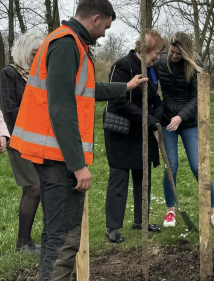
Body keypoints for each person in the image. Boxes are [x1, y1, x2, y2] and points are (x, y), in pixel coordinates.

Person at [9, 0, 148, 279]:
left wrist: (125, 86)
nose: (105, 34)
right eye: (106, 27)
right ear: (96, 18)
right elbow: (60, 107)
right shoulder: (65, 44)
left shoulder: (71, 44)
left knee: (56, 233)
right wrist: (77, 164)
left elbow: (84, 89)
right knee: (64, 238)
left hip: (53, 153)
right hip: (57, 156)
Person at [154, 32, 214, 232]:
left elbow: (198, 97)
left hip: (189, 122)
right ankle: (170, 210)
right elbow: (152, 87)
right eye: (172, 51)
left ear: (186, 53)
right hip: (167, 122)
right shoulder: (160, 63)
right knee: (171, 167)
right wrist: (162, 112)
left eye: (178, 53)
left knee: (198, 166)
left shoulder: (196, 66)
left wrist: (182, 117)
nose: (174, 55)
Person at [104, 29, 164, 243]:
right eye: (156, 52)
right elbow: (116, 101)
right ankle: (112, 227)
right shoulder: (123, 65)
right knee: (119, 179)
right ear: (145, 49)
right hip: (122, 132)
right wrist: (145, 116)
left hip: (142, 132)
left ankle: (142, 220)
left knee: (143, 177)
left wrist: (158, 110)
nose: (158, 57)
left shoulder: (151, 68)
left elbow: (154, 95)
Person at [0, 31, 44, 255]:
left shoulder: (39, 75)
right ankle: (23, 243)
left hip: (41, 139)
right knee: (33, 188)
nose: (37, 58)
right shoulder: (9, 74)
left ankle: (29, 241)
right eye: (35, 54)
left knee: (39, 188)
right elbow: (10, 111)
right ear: (25, 52)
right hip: (20, 139)